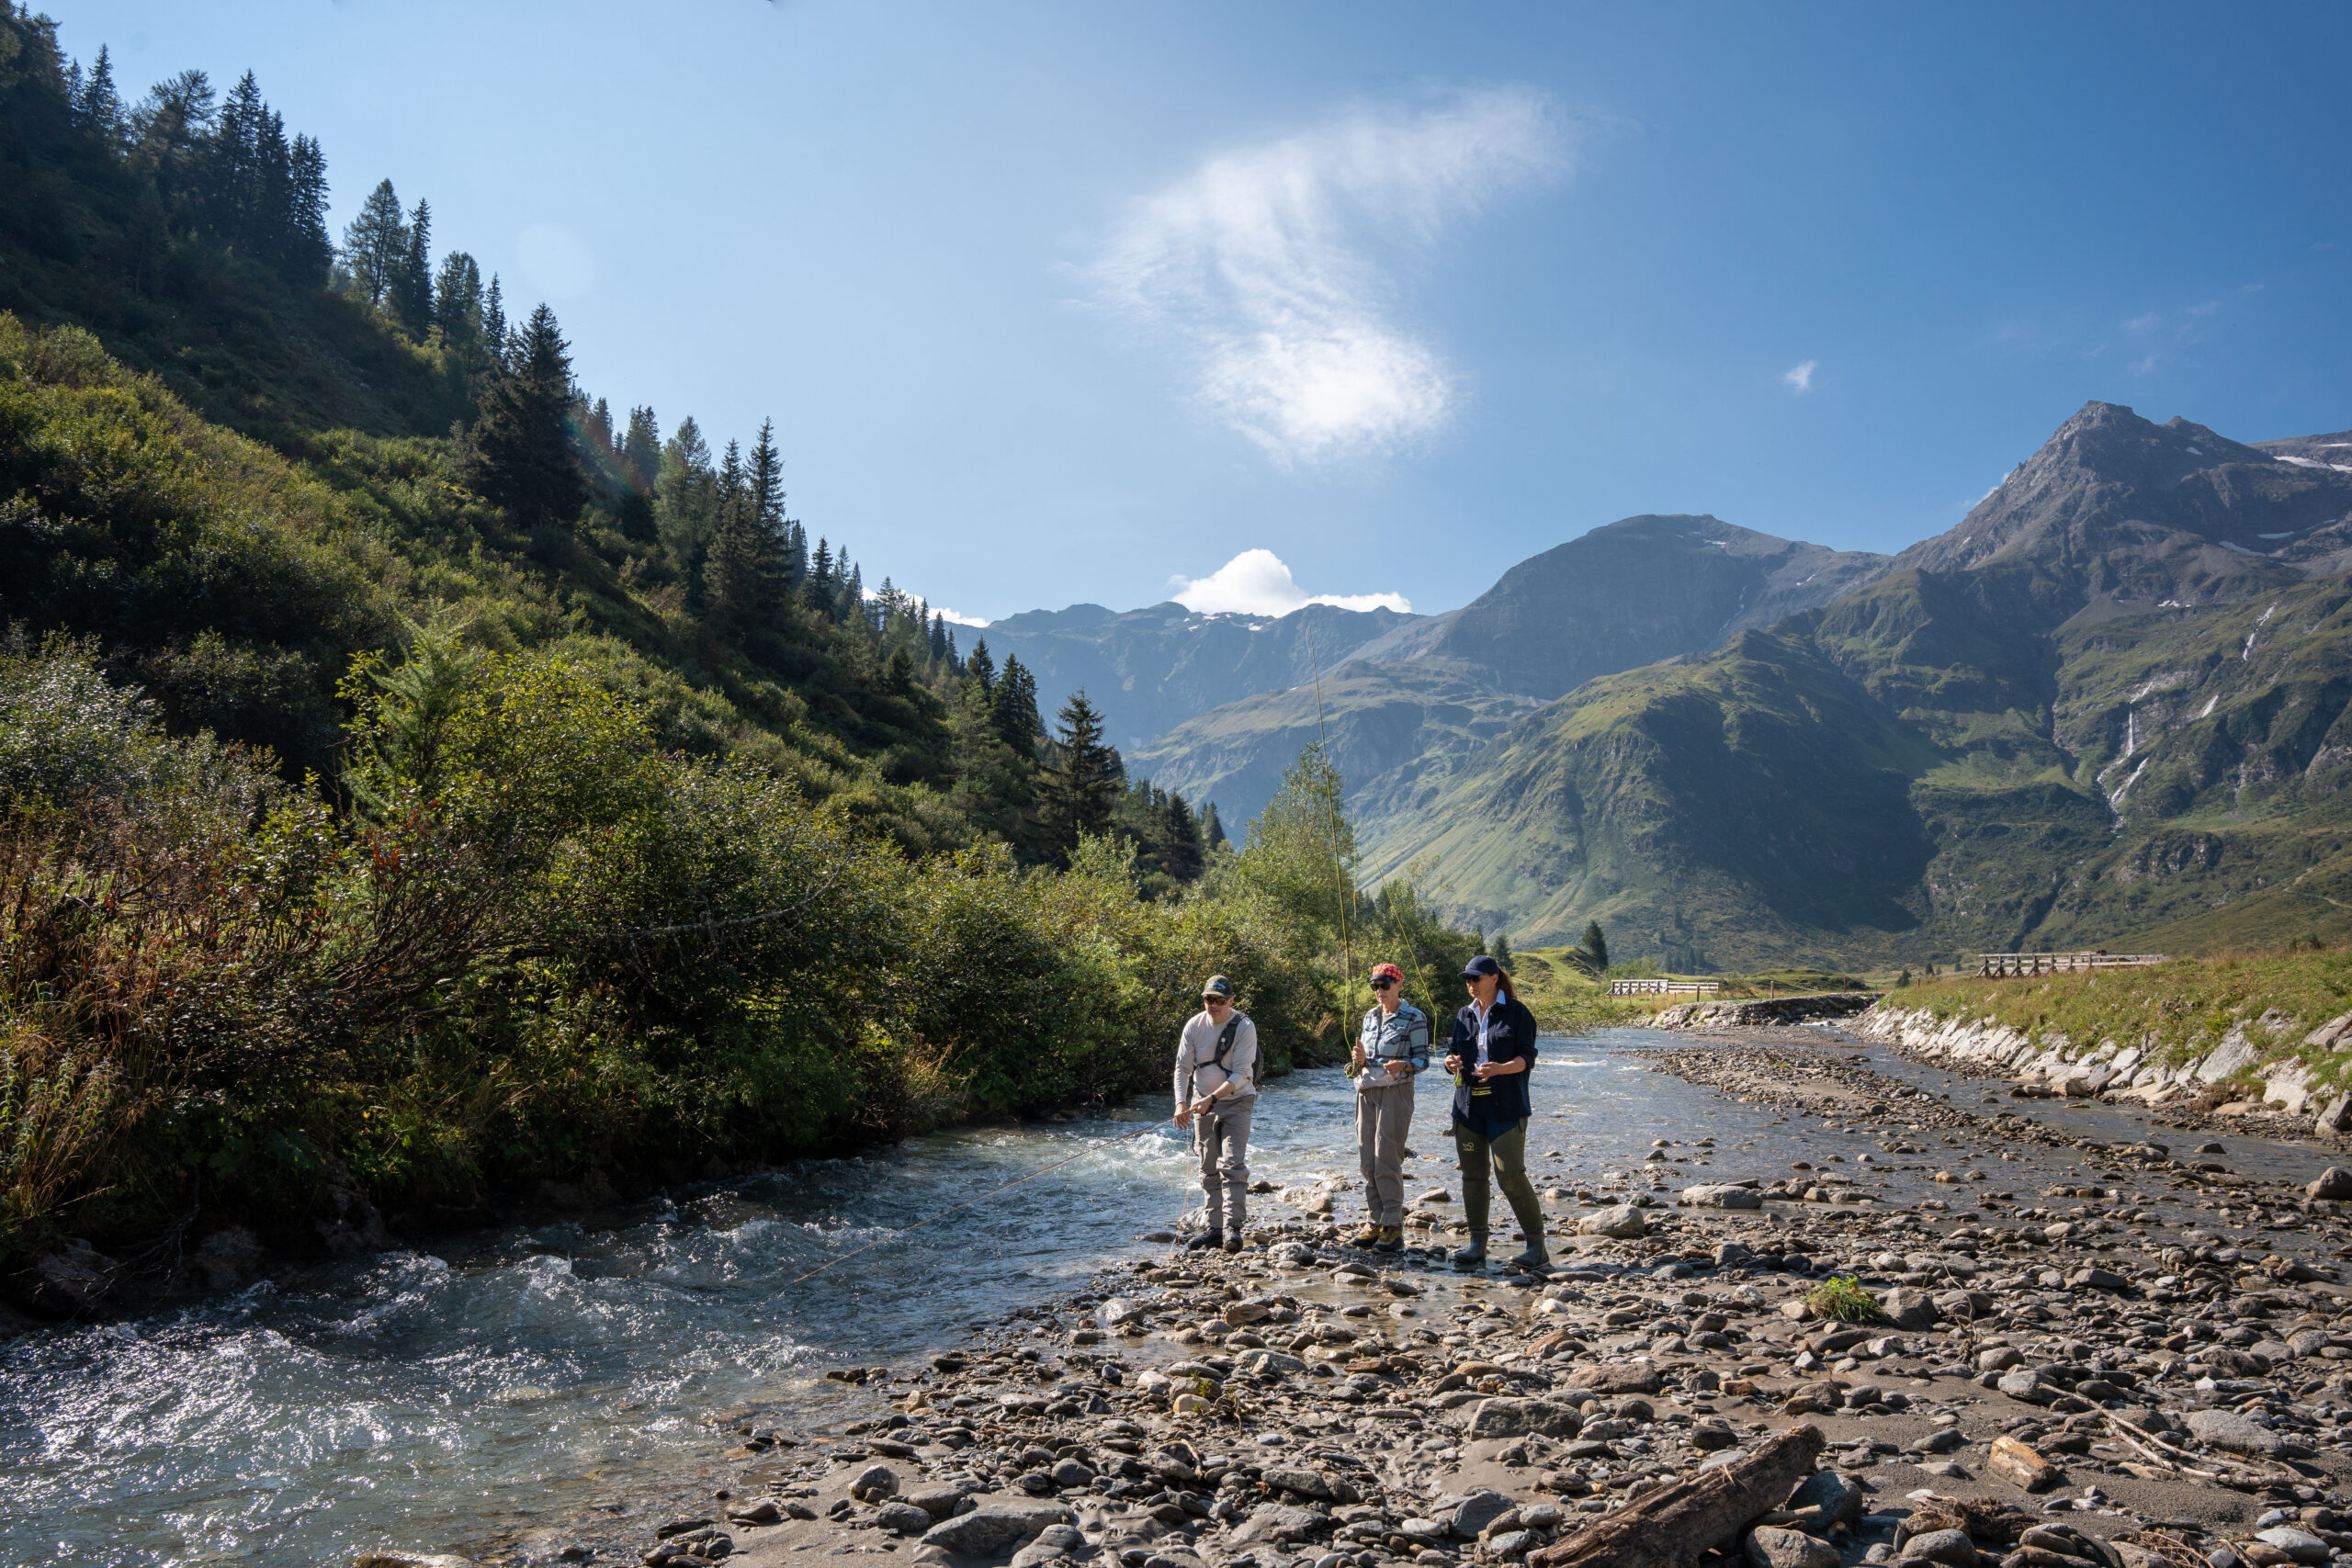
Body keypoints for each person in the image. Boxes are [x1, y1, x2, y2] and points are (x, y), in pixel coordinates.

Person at [1442, 953, 1545, 1270]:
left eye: (1475, 978)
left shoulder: (1517, 1013)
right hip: (1469, 1108)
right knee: (1473, 1177)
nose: (1470, 984)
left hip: (1506, 1107)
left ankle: (1537, 1247)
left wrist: (1500, 1069)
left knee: (1510, 1175)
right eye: (1467, 979)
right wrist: (1450, 1063)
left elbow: (1527, 1057)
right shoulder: (1464, 1014)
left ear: (1494, 979)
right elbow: (1452, 1054)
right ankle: (1477, 1245)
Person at [1350, 962, 1429, 1253]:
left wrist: (1403, 1065)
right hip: (1366, 1090)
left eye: (1385, 985)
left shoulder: (1414, 1017)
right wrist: (1359, 1060)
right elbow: (1366, 1059)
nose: (1379, 991)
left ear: (1399, 985)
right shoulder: (1370, 1017)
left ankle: (1394, 1227)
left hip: (1397, 1092)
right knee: (1367, 1159)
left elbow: (1423, 1061)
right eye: (1375, 986)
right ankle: (1375, 1222)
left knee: (1387, 1157)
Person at [1173, 974, 1256, 1253]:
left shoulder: (1245, 1027)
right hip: (1201, 1104)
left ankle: (1233, 1230)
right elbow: (1182, 1068)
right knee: (1208, 1167)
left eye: (1219, 1000)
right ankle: (1214, 1229)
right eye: (1209, 999)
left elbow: (1243, 1073)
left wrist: (1212, 1098)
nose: (1213, 1005)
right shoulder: (1194, 1026)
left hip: (1238, 1101)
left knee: (1232, 1164)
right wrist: (1180, 1104)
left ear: (1231, 1001)